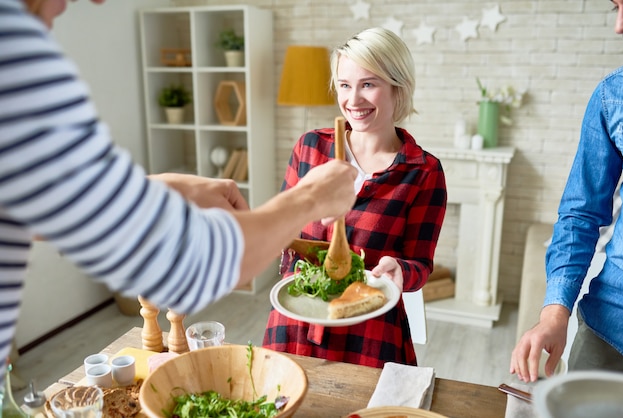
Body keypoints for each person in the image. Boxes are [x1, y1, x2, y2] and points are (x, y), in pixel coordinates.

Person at [0, 0, 358, 385]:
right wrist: (310, 198)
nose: (99, 2)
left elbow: (55, 201)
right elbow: (191, 262)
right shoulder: (12, 42)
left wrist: (168, 188)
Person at [263, 27, 447, 368]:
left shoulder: (424, 172)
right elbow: (280, 226)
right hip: (296, 321)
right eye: (345, 85)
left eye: (368, 84)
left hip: (370, 330)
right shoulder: (310, 148)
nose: (353, 100)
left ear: (398, 87)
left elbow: (420, 264)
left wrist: (401, 271)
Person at [510, 0, 623, 383]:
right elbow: (581, 214)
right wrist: (554, 312)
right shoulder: (613, 96)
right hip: (610, 330)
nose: (620, 26)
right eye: (616, 9)